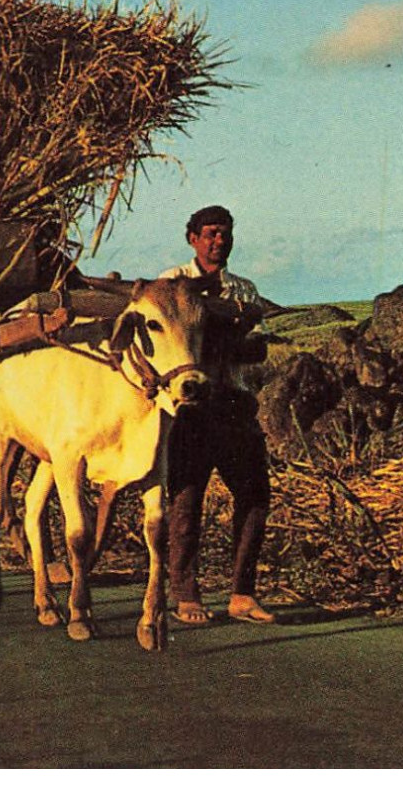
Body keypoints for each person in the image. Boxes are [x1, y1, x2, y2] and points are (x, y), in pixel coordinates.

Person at [159, 205, 276, 625]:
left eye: (225, 233)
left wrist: (223, 336)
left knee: (256, 497)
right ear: (192, 238)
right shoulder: (172, 284)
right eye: (210, 233)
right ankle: (185, 593)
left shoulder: (245, 289)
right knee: (187, 500)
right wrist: (229, 330)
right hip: (192, 409)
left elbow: (258, 346)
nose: (219, 241)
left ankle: (242, 594)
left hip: (235, 406)